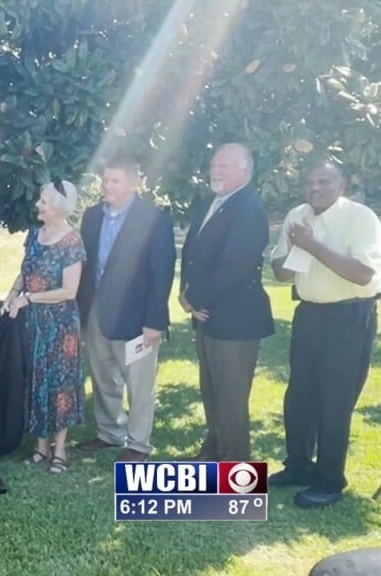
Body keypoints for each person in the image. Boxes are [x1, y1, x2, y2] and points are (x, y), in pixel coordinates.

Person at [267, 162, 381, 508]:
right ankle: (299, 466)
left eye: (324, 181)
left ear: (342, 184)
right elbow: (280, 272)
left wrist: (313, 245)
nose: (315, 188)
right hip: (309, 315)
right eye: (309, 182)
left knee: (335, 400)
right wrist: (298, 247)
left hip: (349, 316)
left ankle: (330, 481)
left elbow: (363, 274)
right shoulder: (297, 215)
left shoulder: (361, 218)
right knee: (299, 396)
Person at [75, 157, 176, 462]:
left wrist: (155, 321)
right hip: (96, 311)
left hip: (137, 317)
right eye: (105, 180)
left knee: (139, 383)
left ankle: (139, 444)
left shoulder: (154, 219)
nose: (107, 186)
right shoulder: (92, 217)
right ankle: (109, 433)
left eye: (115, 181)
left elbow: (162, 272)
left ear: (134, 183)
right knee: (103, 376)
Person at [179, 142, 274, 462]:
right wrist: (185, 292)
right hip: (207, 316)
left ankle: (235, 469)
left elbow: (236, 265)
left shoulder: (249, 209)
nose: (214, 171)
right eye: (213, 165)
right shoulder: (208, 203)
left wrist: (195, 297)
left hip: (237, 320)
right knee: (211, 391)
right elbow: (192, 255)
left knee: (231, 398)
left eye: (224, 166)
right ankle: (214, 451)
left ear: (245, 171)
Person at [2, 178, 86, 474]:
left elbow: (69, 290)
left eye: (44, 203)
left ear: (59, 209)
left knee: (59, 384)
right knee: (36, 379)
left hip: (60, 326)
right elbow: (25, 272)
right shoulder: (34, 235)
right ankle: (40, 447)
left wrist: (29, 299)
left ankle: (59, 450)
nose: (38, 205)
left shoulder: (71, 241)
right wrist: (13, 294)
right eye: (39, 200)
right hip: (34, 323)